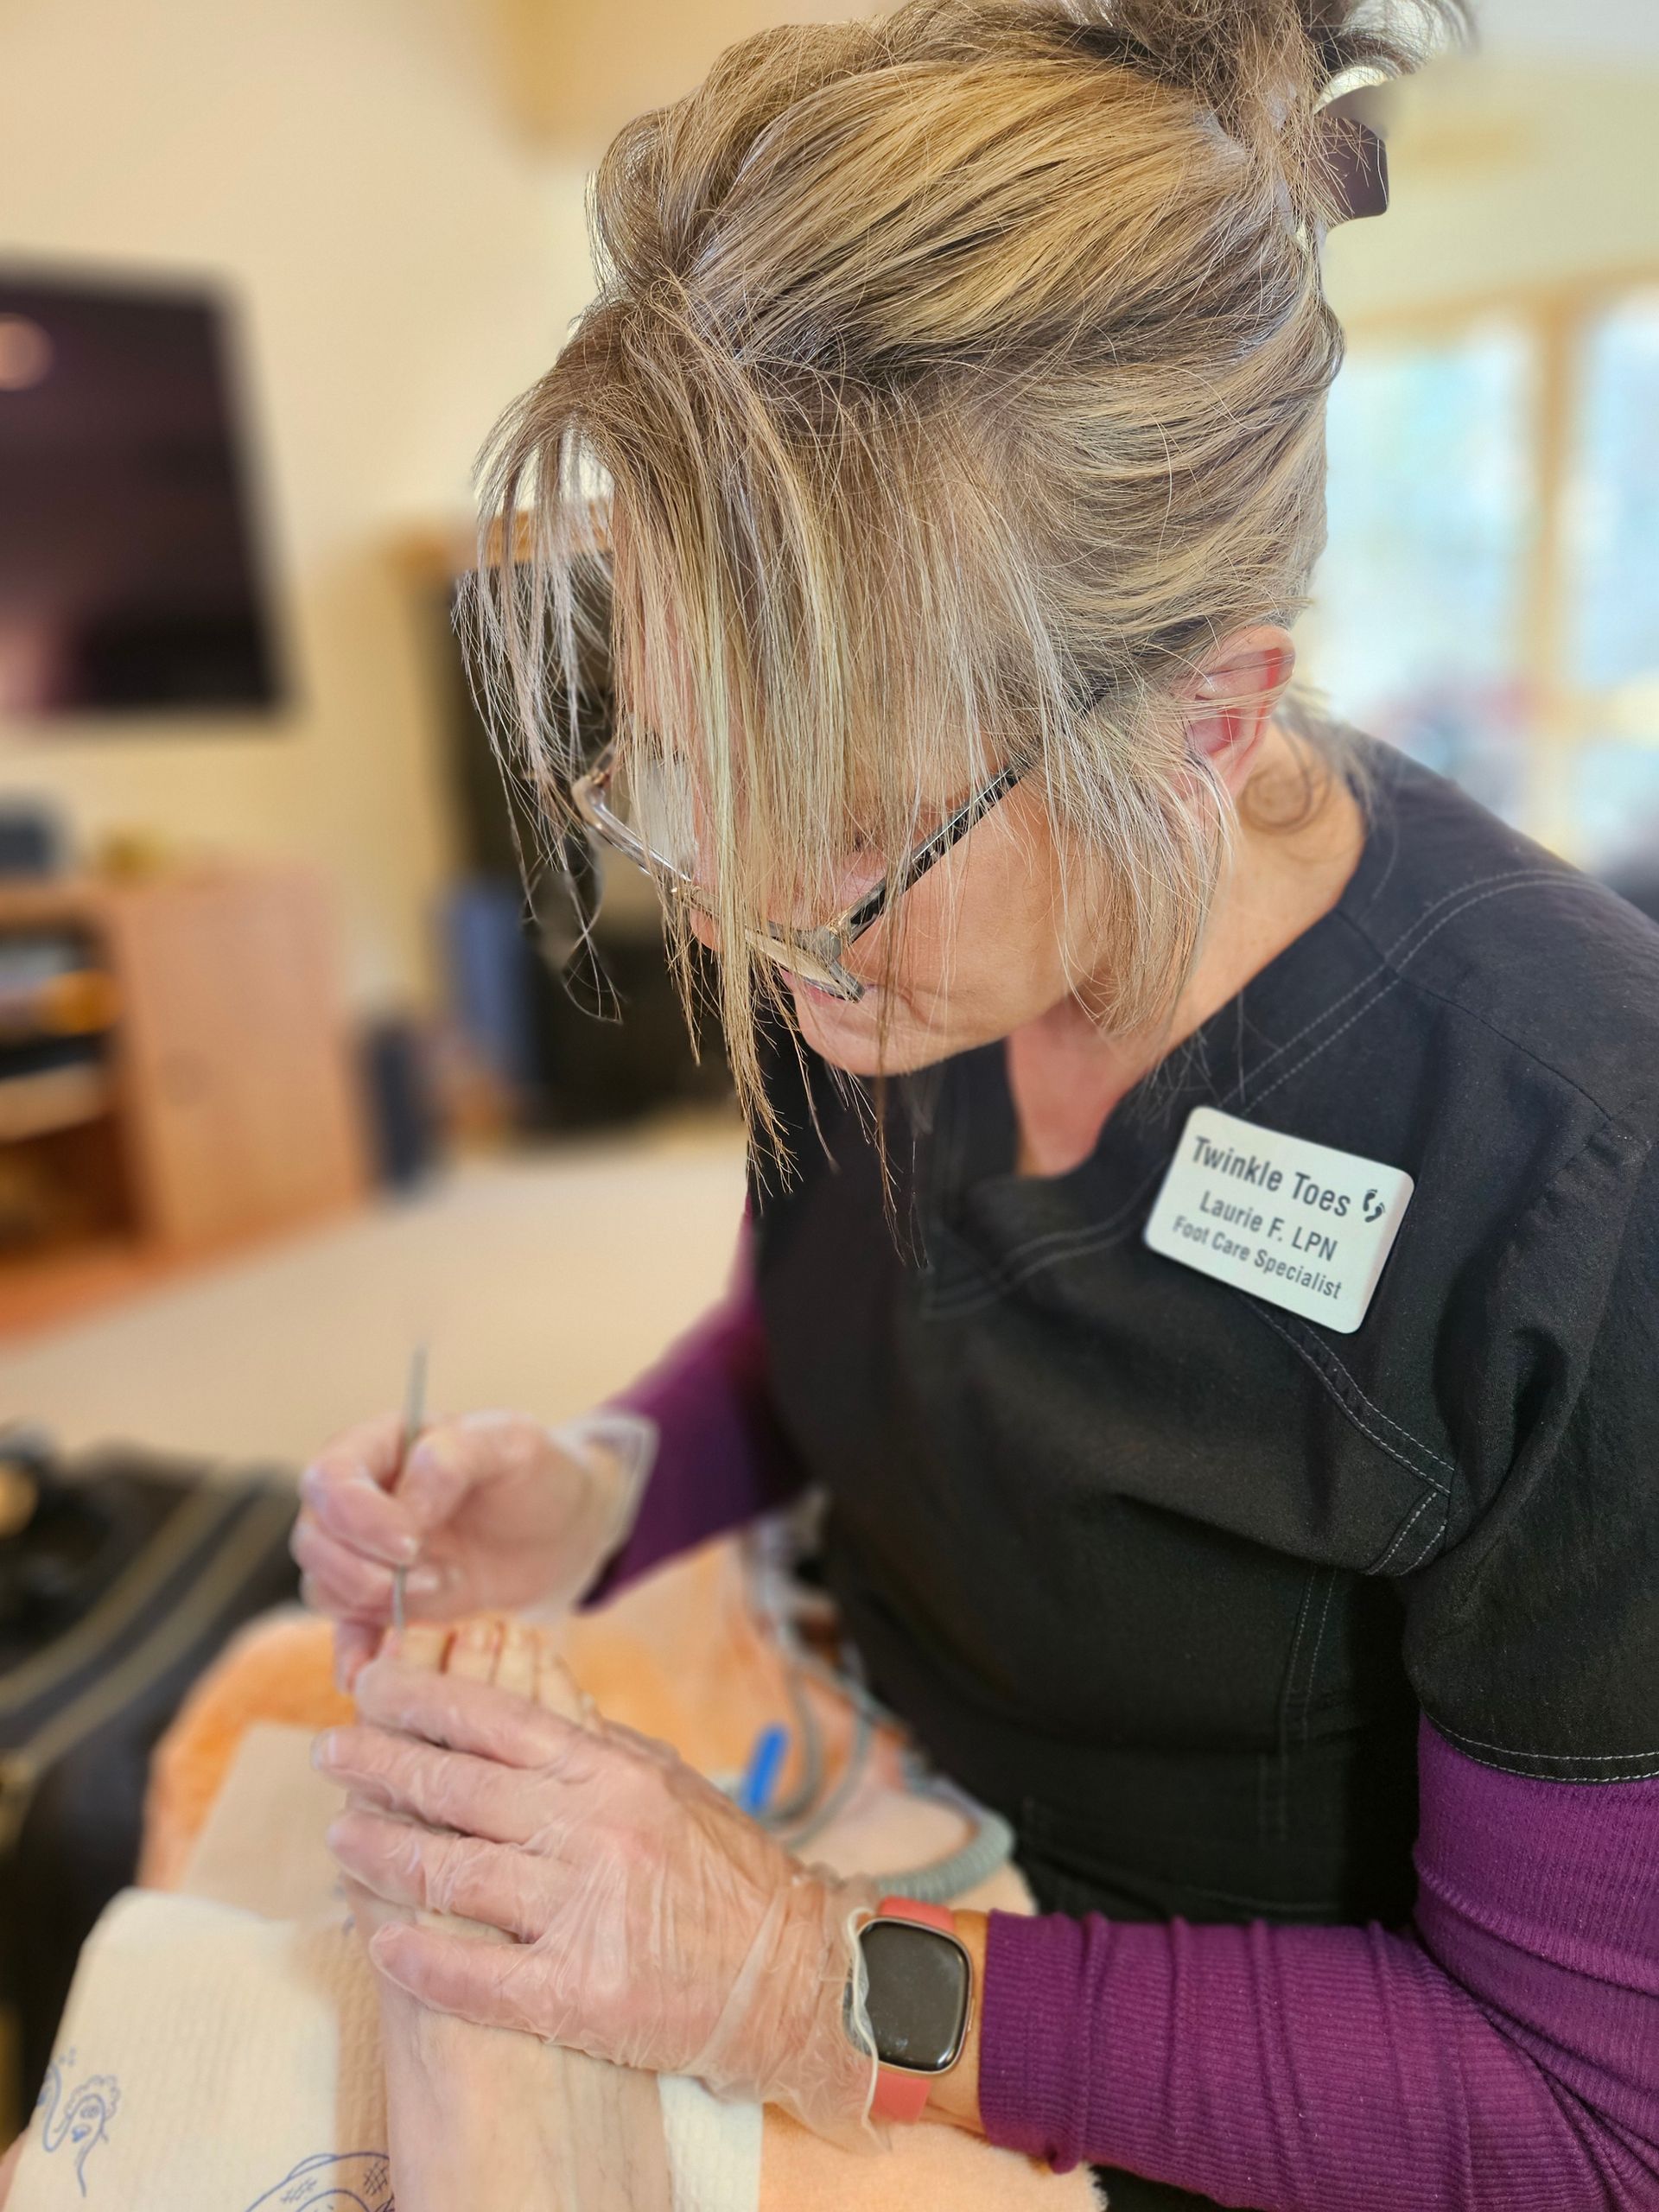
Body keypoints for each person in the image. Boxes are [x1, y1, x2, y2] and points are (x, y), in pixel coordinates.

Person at [293, 2, 1659, 2204]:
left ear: (1205, 726)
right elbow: (853, 1332)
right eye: (685, 769)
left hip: (1193, 2060)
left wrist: (805, 1975)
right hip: (852, 1758)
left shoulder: (1578, 1170)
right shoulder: (871, 947)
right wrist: (604, 1483)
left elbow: (1588, 2116)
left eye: (843, 831)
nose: (740, 913)